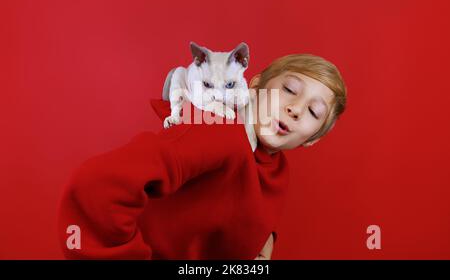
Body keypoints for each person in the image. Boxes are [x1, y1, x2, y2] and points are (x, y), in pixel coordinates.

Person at [57, 53, 347, 259]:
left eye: (313, 112)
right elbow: (95, 186)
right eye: (289, 90)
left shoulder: (276, 169)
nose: (295, 108)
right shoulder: (221, 131)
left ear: (313, 138)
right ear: (255, 86)